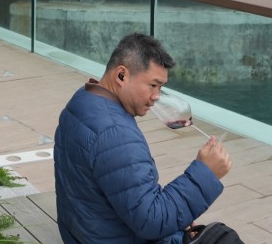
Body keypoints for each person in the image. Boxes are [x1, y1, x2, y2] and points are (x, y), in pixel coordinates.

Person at [54, 33, 231, 244]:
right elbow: (152, 222)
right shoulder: (116, 134)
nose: (157, 96)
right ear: (121, 75)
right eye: (153, 85)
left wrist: (178, 214)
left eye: (161, 88)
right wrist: (206, 173)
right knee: (223, 239)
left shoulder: (83, 99)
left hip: (84, 234)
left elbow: (127, 194)